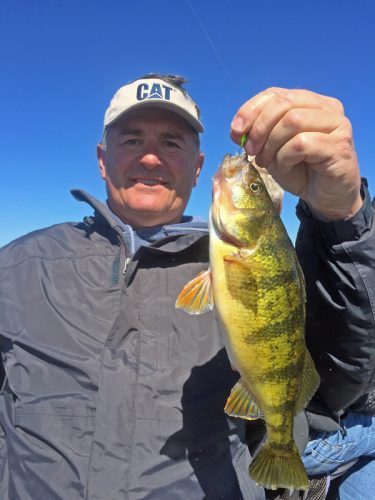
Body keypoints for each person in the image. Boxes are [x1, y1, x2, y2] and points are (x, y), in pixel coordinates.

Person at [0, 74, 374, 500]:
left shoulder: (238, 258)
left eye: (172, 143)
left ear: (199, 169)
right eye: (132, 140)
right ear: (102, 159)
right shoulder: (14, 266)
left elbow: (338, 376)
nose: (152, 159)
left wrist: (341, 218)